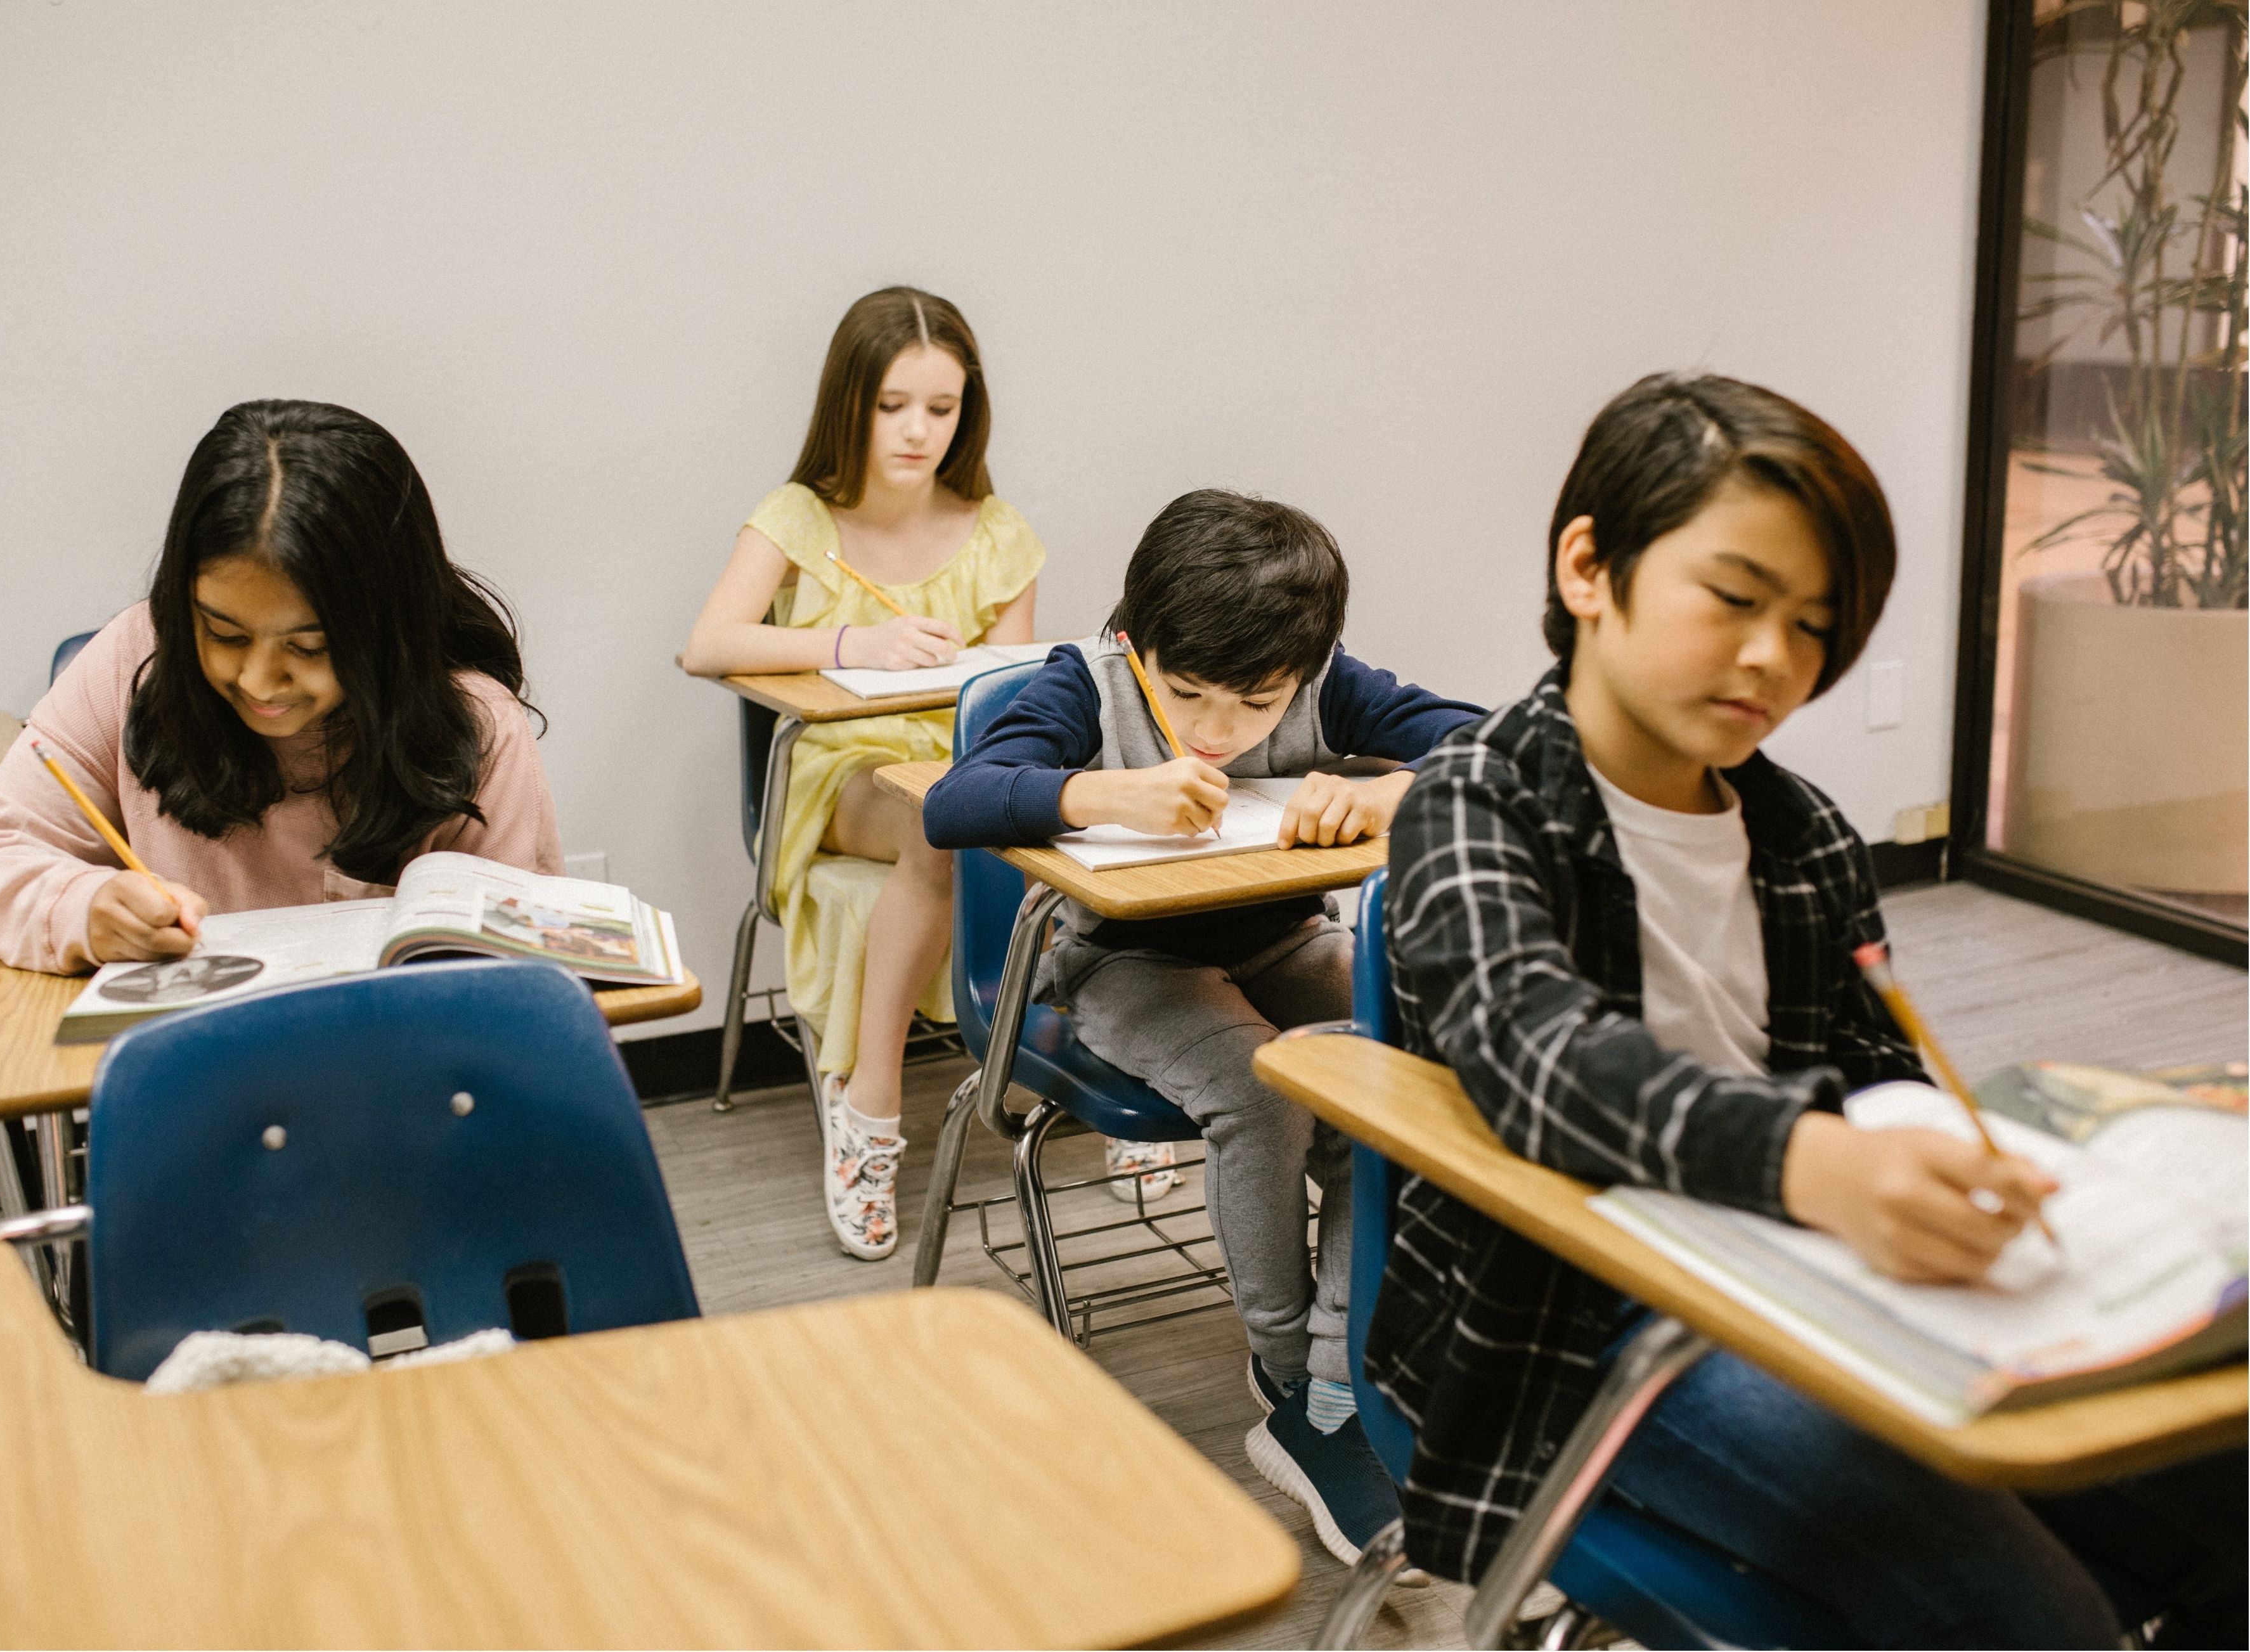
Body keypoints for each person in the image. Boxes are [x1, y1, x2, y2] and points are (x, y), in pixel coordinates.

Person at [1375, 371, 2245, 1644]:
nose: (1774, 657)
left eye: (1815, 627)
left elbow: (1877, 1071)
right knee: (2026, 1617)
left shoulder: (1800, 833)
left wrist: (1990, 1150)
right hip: (1579, 1321)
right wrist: (1814, 1162)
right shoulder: (1478, 796)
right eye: (1733, 598)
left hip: (1825, 1275)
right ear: (1588, 567)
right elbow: (1534, 1052)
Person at [924, 487, 1482, 1565]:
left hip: (1278, 944)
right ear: (1137, 645)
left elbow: (1491, 745)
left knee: (1397, 1089)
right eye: (1186, 696)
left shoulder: (1328, 684)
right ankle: (1284, 1376)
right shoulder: (1081, 684)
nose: (1216, 733)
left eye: (1257, 704)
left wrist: (1393, 793)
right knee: (1260, 1090)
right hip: (1121, 962)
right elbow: (956, 801)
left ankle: (1335, 1384)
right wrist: (1095, 794)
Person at [686, 286, 1163, 1262]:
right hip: (841, 772)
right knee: (936, 822)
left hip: (952, 756)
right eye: (893, 405)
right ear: (849, 402)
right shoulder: (798, 517)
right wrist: (855, 640)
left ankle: (1130, 1062)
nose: (917, 431)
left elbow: (1007, 701)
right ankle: (870, 1107)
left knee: (1068, 807)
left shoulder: (998, 530)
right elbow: (707, 644)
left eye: (940, 409)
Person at [0, 399, 561, 972]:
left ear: (388, 628)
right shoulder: (135, 655)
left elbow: (515, 970)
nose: (259, 681)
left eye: (308, 646)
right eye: (224, 634)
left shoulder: (474, 722)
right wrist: (81, 908)